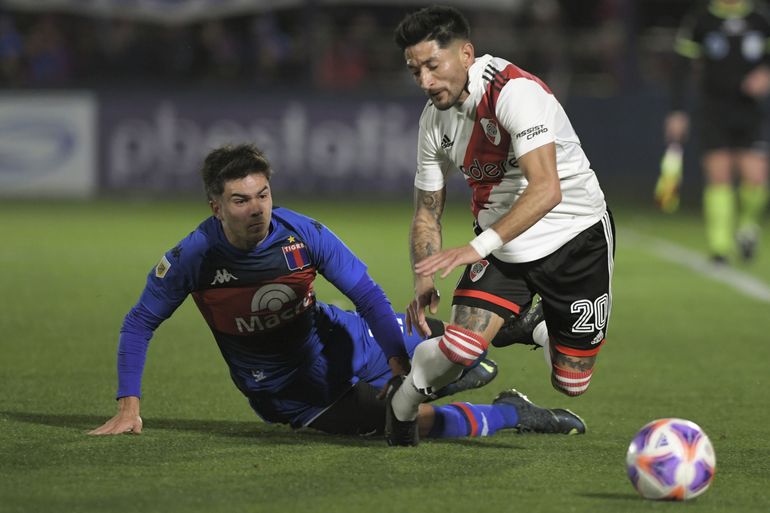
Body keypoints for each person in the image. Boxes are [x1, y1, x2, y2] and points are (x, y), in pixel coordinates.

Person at [89, 143, 586, 441]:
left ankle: (502, 337)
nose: (256, 208)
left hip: (341, 337)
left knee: (458, 351)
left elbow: (366, 294)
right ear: (216, 206)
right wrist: (128, 404)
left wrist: (395, 355)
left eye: (262, 195)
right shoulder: (193, 257)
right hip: (290, 391)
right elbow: (140, 322)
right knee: (405, 419)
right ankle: (512, 413)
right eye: (240, 200)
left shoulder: (301, 234)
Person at [385, 5, 614, 446]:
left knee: (571, 383)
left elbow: (547, 190)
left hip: (575, 237)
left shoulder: (515, 92)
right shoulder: (433, 121)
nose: (425, 82)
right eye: (415, 71)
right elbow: (427, 211)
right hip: (503, 248)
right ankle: (403, 403)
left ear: (466, 54)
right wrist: (423, 274)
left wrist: (475, 248)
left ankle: (537, 325)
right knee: (459, 350)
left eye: (433, 66)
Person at [662, 0, 770, 264]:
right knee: (718, 176)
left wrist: (766, 74)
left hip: (750, 112)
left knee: (756, 180)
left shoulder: (760, 18)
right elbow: (682, 67)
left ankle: (747, 228)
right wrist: (677, 110)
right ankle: (720, 248)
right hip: (713, 111)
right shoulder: (701, 19)